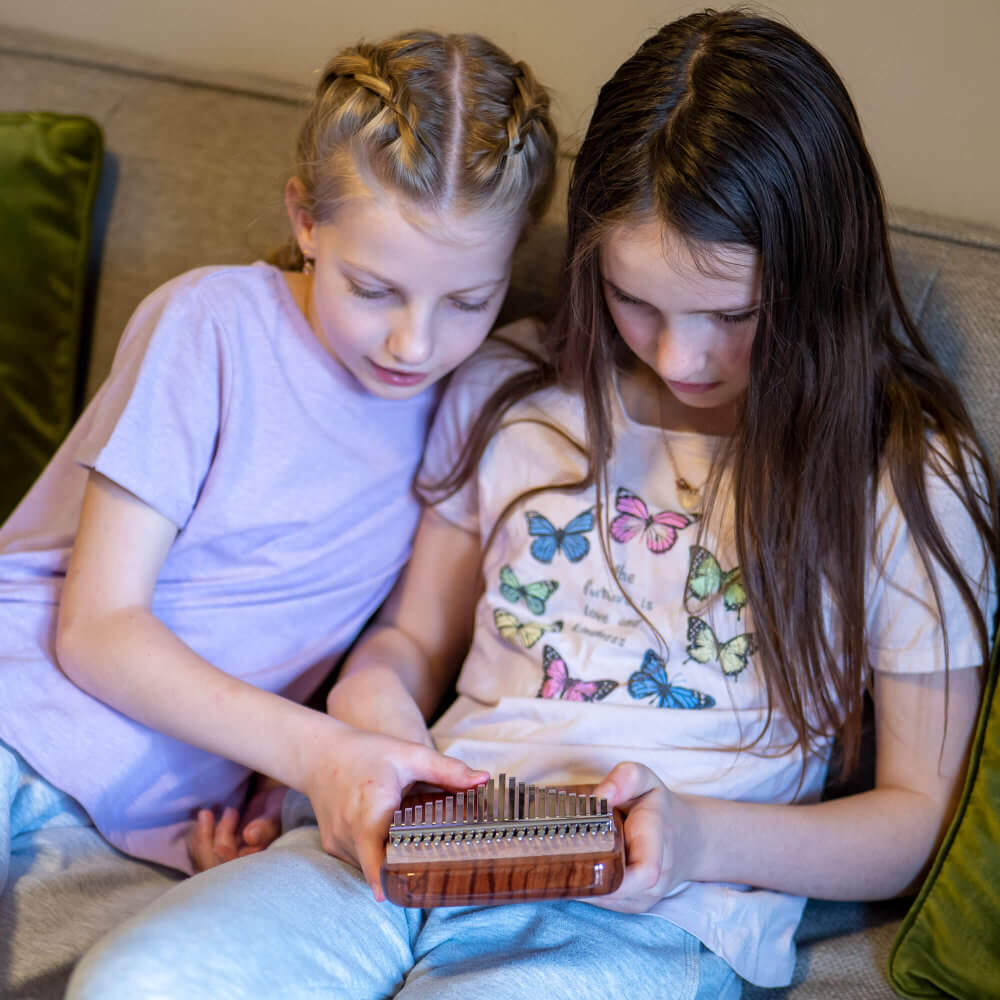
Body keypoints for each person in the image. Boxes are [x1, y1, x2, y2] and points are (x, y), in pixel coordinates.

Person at [66, 9, 997, 1000]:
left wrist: (695, 840)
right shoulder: (510, 388)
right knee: (136, 979)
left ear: (821, 272)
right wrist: (374, 725)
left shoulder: (905, 474)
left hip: (657, 910)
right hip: (413, 851)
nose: (680, 356)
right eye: (636, 302)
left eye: (733, 314)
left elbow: (911, 821)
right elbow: (408, 641)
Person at [0, 25, 558, 987]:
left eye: (469, 301)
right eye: (373, 289)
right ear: (305, 220)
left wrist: (269, 790)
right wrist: (316, 754)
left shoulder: (468, 403)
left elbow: (358, 639)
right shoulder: (211, 323)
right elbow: (97, 630)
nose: (415, 344)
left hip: (145, 814)